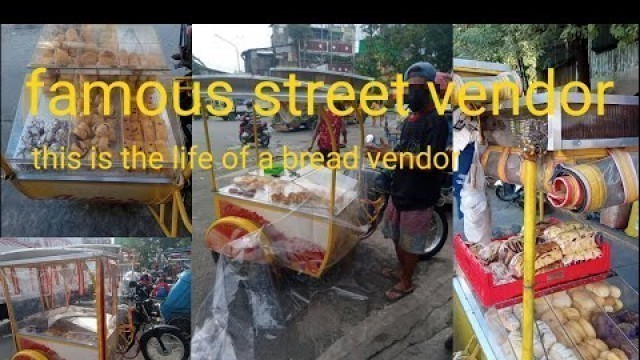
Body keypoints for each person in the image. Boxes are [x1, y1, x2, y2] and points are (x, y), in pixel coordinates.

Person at [365, 62, 449, 301]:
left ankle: (406, 281)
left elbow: (430, 162)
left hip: (419, 194)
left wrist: (389, 156)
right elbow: (404, 152)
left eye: (418, 87)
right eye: (409, 87)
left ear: (431, 89)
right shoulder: (411, 119)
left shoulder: (437, 122)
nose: (411, 93)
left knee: (410, 243)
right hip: (400, 188)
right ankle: (401, 271)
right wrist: (386, 151)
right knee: (397, 237)